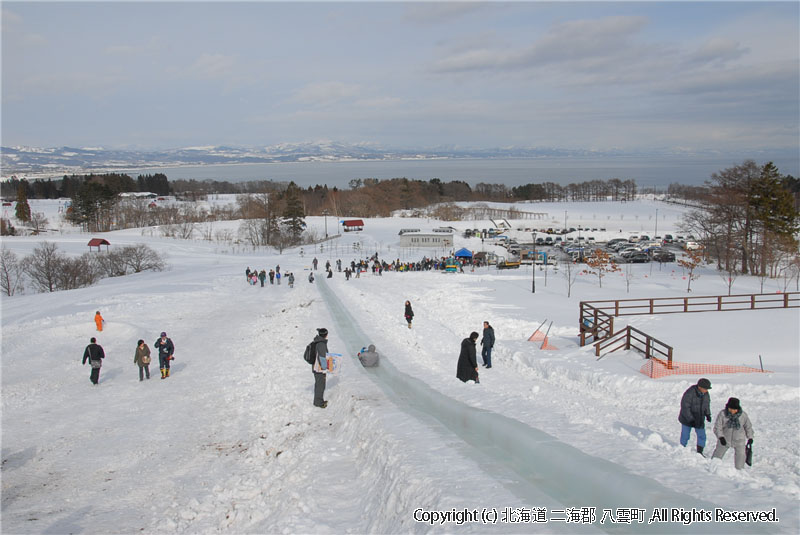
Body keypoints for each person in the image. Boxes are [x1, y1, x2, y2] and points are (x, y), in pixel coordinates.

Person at [711, 397, 754, 469]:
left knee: (741, 457)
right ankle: (712, 468)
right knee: (716, 458)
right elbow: (717, 427)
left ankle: (739, 472)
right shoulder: (722, 414)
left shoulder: (743, 415)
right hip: (725, 439)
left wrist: (750, 437)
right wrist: (721, 437)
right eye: (731, 409)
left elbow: (748, 427)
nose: (732, 411)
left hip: (739, 440)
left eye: (735, 409)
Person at [678, 378, 712, 454]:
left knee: (702, 436)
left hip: (699, 418)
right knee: (685, 435)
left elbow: (706, 405)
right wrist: (690, 419)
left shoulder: (706, 394)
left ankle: (700, 451)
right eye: (705, 388)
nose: (707, 390)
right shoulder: (690, 393)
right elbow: (685, 407)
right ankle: (681, 450)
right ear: (700, 387)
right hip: (687, 418)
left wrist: (708, 414)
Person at [311, 328, 330, 408]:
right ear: (325, 335)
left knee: (318, 384)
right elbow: (322, 357)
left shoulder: (317, 342)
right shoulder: (321, 344)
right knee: (320, 385)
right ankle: (319, 403)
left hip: (315, 367)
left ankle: (317, 401)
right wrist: (325, 367)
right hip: (319, 368)